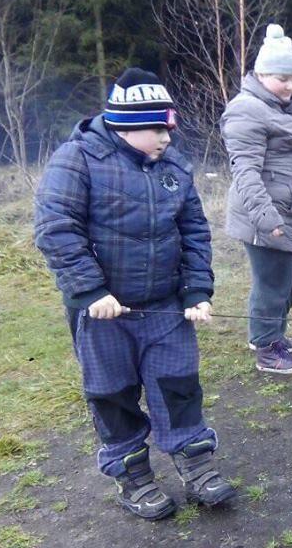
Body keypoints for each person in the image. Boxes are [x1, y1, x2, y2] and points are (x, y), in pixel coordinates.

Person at [34, 67, 237, 521]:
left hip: (165, 307)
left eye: (168, 127)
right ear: (126, 126)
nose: (167, 136)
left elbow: (194, 231)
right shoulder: (77, 160)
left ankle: (196, 466)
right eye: (157, 128)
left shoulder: (174, 167)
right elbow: (56, 229)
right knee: (114, 393)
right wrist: (91, 291)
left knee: (178, 386)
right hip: (104, 313)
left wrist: (197, 290)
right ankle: (134, 477)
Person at [220, 24, 292, 375]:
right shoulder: (246, 110)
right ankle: (267, 350)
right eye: (283, 79)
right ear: (262, 74)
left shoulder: (291, 106)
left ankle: (271, 333)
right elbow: (245, 172)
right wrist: (266, 217)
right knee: (273, 282)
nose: (291, 86)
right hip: (265, 215)